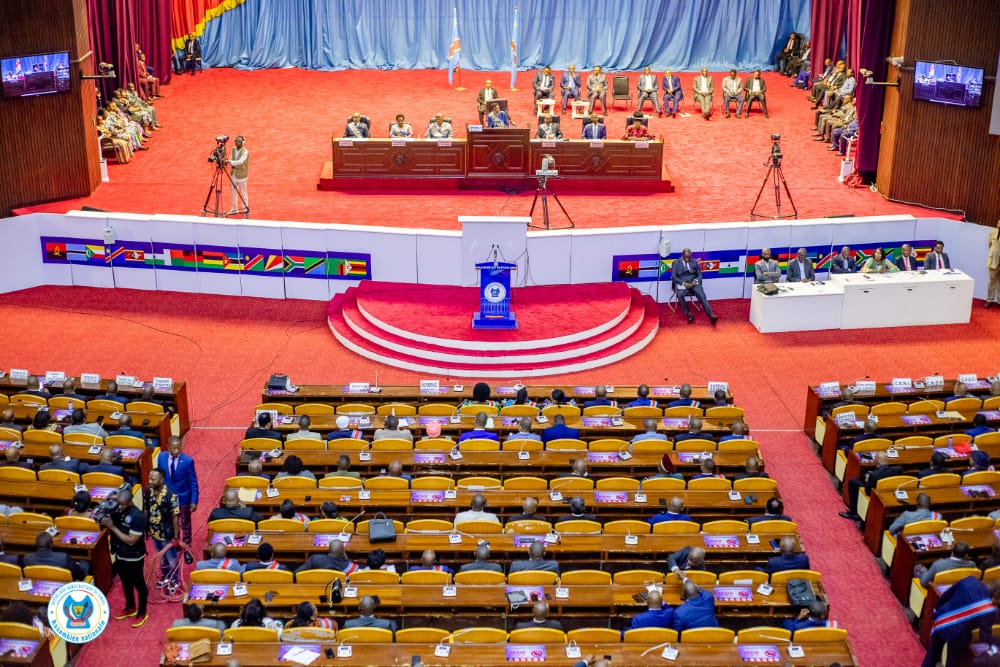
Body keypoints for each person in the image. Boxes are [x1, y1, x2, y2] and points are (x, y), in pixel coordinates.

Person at [922, 577, 997, 667]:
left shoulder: (970, 580)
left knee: (932, 654)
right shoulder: (988, 609)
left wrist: (938, 608)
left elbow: (948, 594)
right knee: (953, 662)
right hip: (959, 635)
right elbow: (985, 635)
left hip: (943, 620)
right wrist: (992, 645)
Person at [100, 487, 148, 627]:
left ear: (129, 502)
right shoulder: (117, 511)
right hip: (119, 554)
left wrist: (112, 527)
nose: (119, 507)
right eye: (118, 504)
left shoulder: (138, 516)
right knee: (126, 583)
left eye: (122, 504)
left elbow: (131, 540)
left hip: (133, 556)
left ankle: (142, 611)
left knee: (139, 584)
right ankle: (130, 606)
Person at [158, 436, 199, 558]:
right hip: (167, 498)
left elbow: (193, 482)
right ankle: (175, 544)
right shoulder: (161, 457)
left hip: (183, 498)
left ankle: (187, 548)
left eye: (179, 448)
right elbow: (159, 476)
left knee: (185, 524)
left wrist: (194, 500)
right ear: (168, 447)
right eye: (174, 448)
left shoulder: (187, 461)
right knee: (170, 523)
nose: (177, 450)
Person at [144, 467, 180, 593]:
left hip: (167, 534)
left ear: (162, 480)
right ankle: (165, 577)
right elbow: (146, 509)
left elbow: (175, 517)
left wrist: (175, 537)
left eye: (153, 479)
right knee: (162, 558)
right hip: (154, 533)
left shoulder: (171, 495)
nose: (150, 481)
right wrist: (146, 527)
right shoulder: (148, 491)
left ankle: (174, 580)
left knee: (171, 559)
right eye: (149, 478)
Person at [840, 451, 902, 520]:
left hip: (874, 494)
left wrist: (867, 480)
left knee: (853, 482)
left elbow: (867, 491)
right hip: (886, 491)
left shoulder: (874, 475)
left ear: (877, 461)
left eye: (875, 458)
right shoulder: (897, 469)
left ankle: (853, 513)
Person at [672, 248, 717, 324]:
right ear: (682, 255)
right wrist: (683, 283)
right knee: (680, 294)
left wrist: (695, 281)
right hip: (683, 284)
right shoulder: (676, 263)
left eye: (689, 257)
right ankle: (688, 314)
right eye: (686, 257)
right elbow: (674, 277)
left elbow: (699, 275)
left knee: (702, 295)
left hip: (694, 283)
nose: (687, 259)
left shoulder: (694, 262)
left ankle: (711, 316)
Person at [225, 135, 249, 216]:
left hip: (242, 176)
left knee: (243, 193)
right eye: (236, 141)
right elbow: (231, 158)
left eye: (239, 141)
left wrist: (229, 162)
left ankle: (245, 209)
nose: (237, 142)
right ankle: (234, 208)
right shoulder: (233, 149)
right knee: (233, 192)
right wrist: (229, 161)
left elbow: (240, 161)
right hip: (233, 174)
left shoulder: (245, 152)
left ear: (242, 142)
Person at [987, 220, 1000, 307]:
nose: (999, 224)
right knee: (992, 282)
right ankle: (989, 300)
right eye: (999, 222)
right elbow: (989, 245)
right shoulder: (992, 233)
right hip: (993, 261)